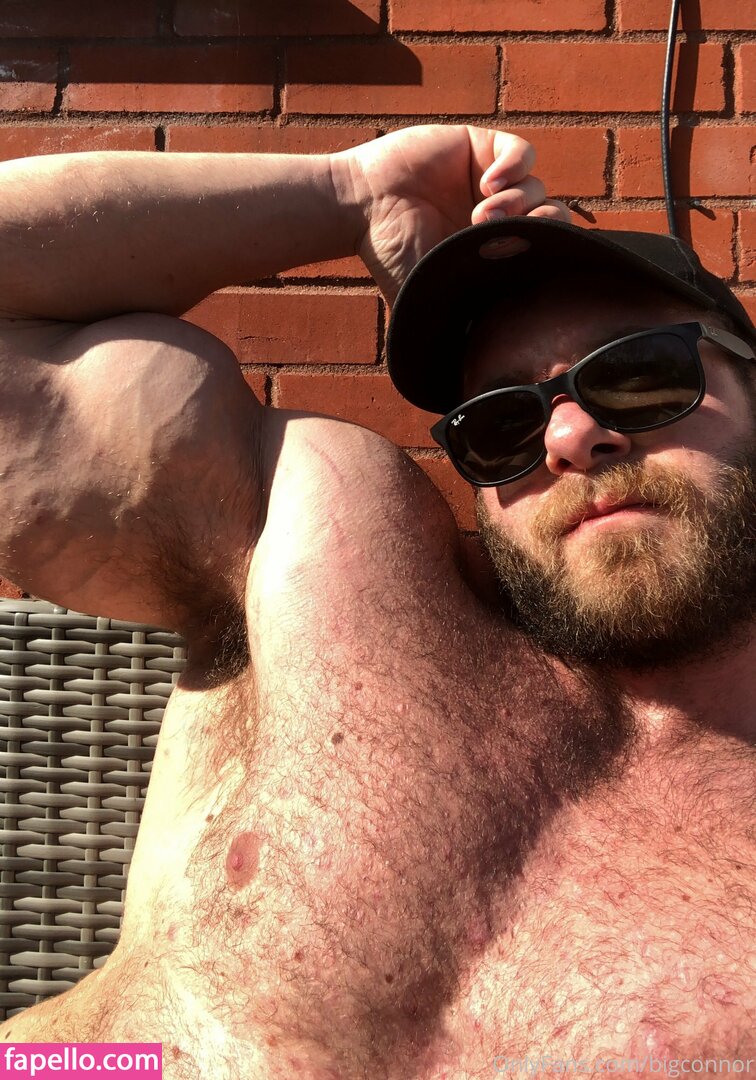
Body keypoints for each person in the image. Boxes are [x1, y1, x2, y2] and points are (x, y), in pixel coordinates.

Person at [0, 123, 753, 1076]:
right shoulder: (332, 561)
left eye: (639, 375)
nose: (568, 438)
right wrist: (348, 190)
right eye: (500, 423)